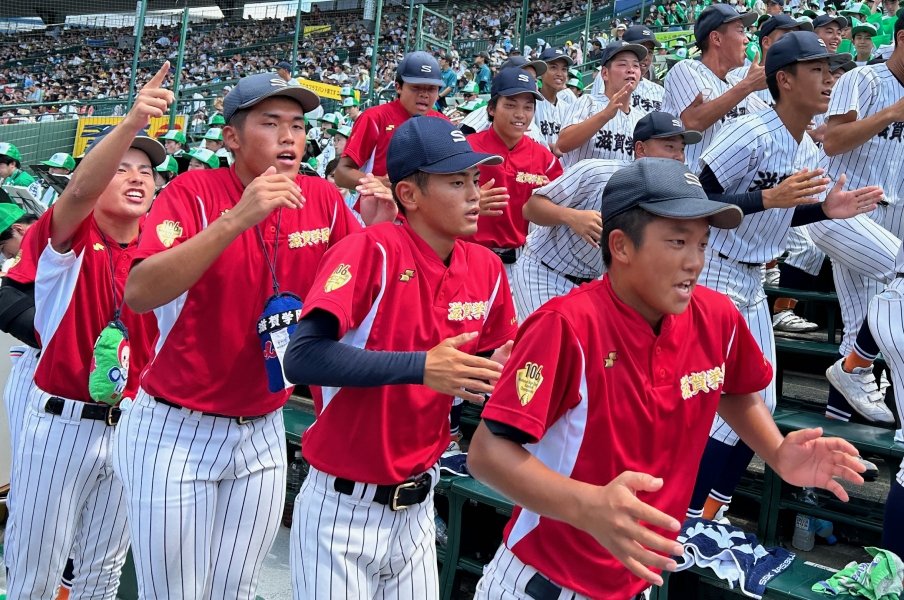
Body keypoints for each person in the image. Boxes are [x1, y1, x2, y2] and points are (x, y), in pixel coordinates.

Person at [467, 157, 866, 600]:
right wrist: (587, 505)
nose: (694, 261)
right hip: (543, 581)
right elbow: (486, 453)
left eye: (702, 243)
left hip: (634, 583)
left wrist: (775, 451)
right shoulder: (566, 325)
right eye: (677, 241)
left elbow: (730, 388)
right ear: (620, 246)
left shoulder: (718, 317)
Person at [117, 72, 391, 599]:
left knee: (236, 589)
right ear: (233, 138)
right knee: (176, 592)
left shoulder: (323, 198)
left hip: (262, 425)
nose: (289, 137)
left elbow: (364, 297)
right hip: (176, 428)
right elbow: (140, 291)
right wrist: (234, 221)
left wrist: (379, 232)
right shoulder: (192, 192)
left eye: (298, 125)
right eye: (271, 123)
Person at [283, 115, 517, 599]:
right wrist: (420, 366)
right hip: (341, 509)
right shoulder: (370, 250)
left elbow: (492, 359)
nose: (475, 193)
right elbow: (301, 358)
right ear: (409, 195)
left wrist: (506, 368)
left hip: (417, 508)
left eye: (475, 179)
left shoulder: (487, 268)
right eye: (457, 182)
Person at [687, 31, 883, 522]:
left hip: (751, 280)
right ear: (784, 79)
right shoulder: (751, 131)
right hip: (715, 273)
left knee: (762, 405)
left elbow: (776, 216)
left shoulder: (802, 143)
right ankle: (692, 515)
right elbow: (691, 205)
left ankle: (710, 514)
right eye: (816, 70)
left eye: (830, 69)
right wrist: (767, 199)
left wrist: (823, 211)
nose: (829, 79)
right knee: (731, 407)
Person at [4, 63, 169, 600]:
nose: (138, 177)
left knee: (100, 575)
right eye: (122, 168)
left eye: (146, 169)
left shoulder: (165, 252)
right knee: (35, 571)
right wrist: (132, 120)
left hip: (133, 427)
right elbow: (76, 193)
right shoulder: (65, 244)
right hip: (62, 425)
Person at [513, 112, 701, 321]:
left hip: (594, 286)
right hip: (544, 273)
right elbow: (531, 208)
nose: (678, 156)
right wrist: (570, 216)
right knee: (549, 347)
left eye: (682, 149)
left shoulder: (668, 196)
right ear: (640, 149)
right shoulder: (597, 172)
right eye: (670, 147)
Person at [466, 68, 563, 279]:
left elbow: (558, 204)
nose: (520, 115)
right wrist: (467, 203)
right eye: (510, 105)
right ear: (492, 108)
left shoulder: (544, 158)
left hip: (519, 264)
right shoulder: (465, 149)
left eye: (528, 107)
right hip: (468, 256)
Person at [662, 4, 767, 170]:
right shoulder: (686, 68)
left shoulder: (734, 83)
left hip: (724, 188)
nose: (747, 39)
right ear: (716, 38)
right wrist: (749, 84)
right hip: (687, 182)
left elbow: (769, 120)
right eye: (740, 31)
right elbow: (694, 120)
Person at [334, 51, 445, 195]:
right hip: (377, 210)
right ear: (398, 87)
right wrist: (379, 183)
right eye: (416, 87)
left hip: (423, 212)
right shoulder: (374, 117)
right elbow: (342, 174)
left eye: (431, 88)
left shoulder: (443, 123)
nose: (424, 94)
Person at [557, 41, 649, 168]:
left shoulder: (641, 118)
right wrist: (605, 115)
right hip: (581, 187)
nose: (631, 70)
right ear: (605, 73)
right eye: (623, 64)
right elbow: (563, 144)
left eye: (636, 65)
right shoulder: (588, 102)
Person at [534, 47, 575, 157]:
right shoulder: (530, 104)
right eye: (553, 67)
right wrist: (553, 147)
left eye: (564, 69)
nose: (559, 73)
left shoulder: (568, 108)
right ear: (540, 73)